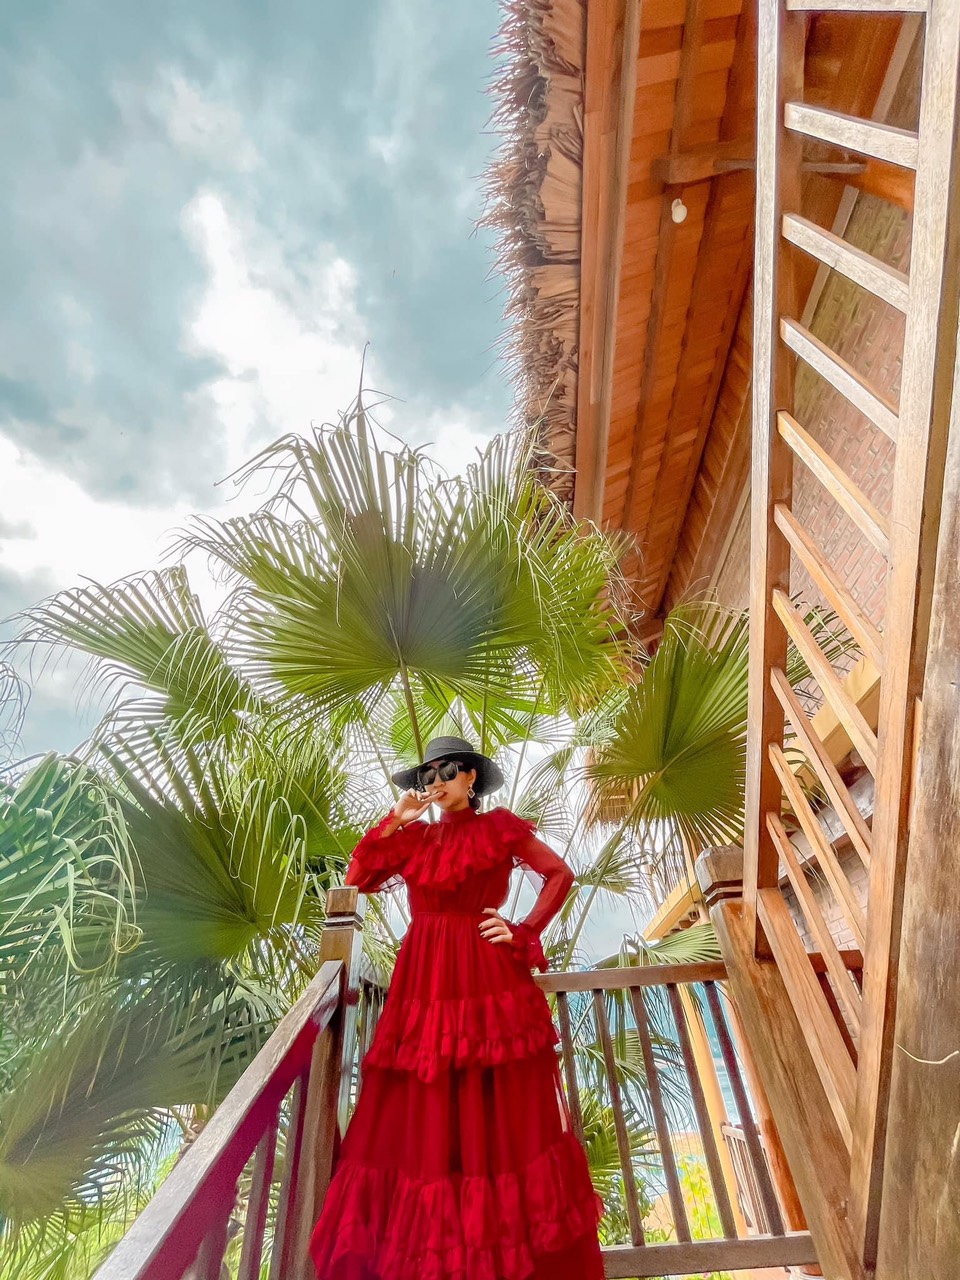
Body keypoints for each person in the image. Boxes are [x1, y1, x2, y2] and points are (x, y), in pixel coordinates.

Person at [310, 735, 605, 1279]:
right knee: (427, 1098)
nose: (436, 782)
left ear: (472, 777)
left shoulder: (499, 828)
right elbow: (357, 880)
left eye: (448, 771)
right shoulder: (415, 838)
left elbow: (560, 874)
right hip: (424, 983)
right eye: (427, 775)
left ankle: (503, 1251)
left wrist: (523, 930)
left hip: (486, 976)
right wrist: (396, 818)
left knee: (497, 1101)